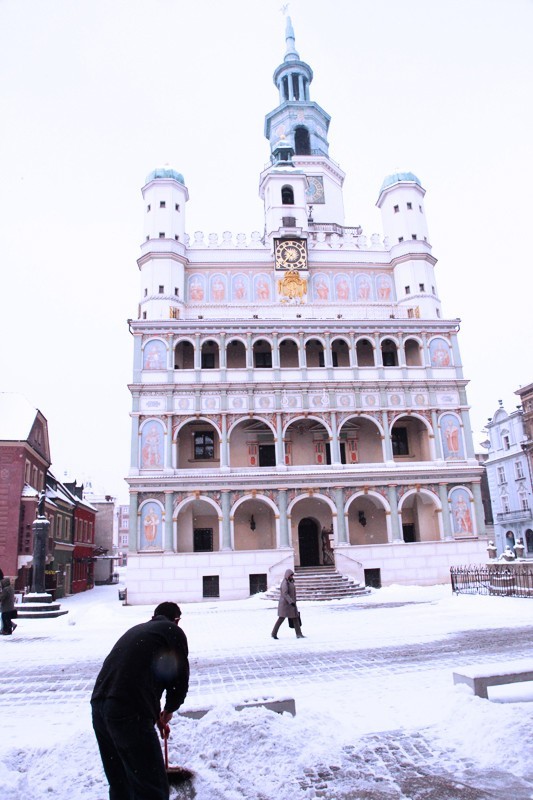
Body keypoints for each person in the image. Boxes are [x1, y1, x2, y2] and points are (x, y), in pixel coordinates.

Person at [91, 601, 189, 800]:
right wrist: (170, 709)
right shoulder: (172, 631)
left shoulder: (139, 631)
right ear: (177, 619)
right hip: (128, 711)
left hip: (100, 708)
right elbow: (178, 677)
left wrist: (156, 717)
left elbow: (138, 679)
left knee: (122, 784)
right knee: (152, 788)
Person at [271, 569, 304, 639]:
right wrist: (291, 601)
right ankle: (273, 633)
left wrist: (292, 602)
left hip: (291, 604)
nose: (292, 577)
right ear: (288, 575)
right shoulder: (285, 583)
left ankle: (299, 634)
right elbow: (285, 593)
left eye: (292, 575)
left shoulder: (290, 582)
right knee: (281, 619)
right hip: (285, 605)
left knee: (295, 618)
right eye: (291, 575)